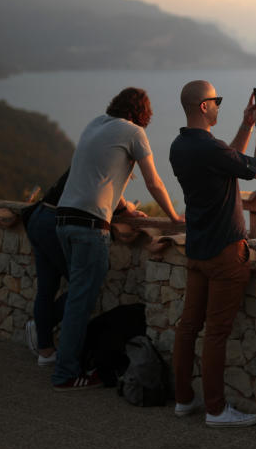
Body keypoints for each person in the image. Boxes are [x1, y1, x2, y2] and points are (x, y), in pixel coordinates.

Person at [52, 87, 182, 391]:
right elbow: (153, 181)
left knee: (76, 295)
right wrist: (175, 217)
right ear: (142, 113)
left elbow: (99, 174)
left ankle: (46, 333)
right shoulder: (134, 132)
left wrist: (123, 208)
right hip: (89, 226)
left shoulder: (95, 124)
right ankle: (66, 374)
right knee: (80, 302)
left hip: (64, 219)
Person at [169, 82, 256, 427]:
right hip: (225, 252)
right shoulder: (209, 148)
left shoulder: (180, 146)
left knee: (188, 327)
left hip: (197, 249)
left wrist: (243, 125)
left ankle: (183, 399)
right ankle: (215, 409)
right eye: (216, 101)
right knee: (215, 332)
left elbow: (228, 161)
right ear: (203, 107)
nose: (219, 106)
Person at [23, 168, 70, 366]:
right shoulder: (110, 157)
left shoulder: (88, 151)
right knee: (83, 284)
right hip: (54, 222)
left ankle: (45, 351)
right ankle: (43, 326)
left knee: (46, 288)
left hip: (39, 215)